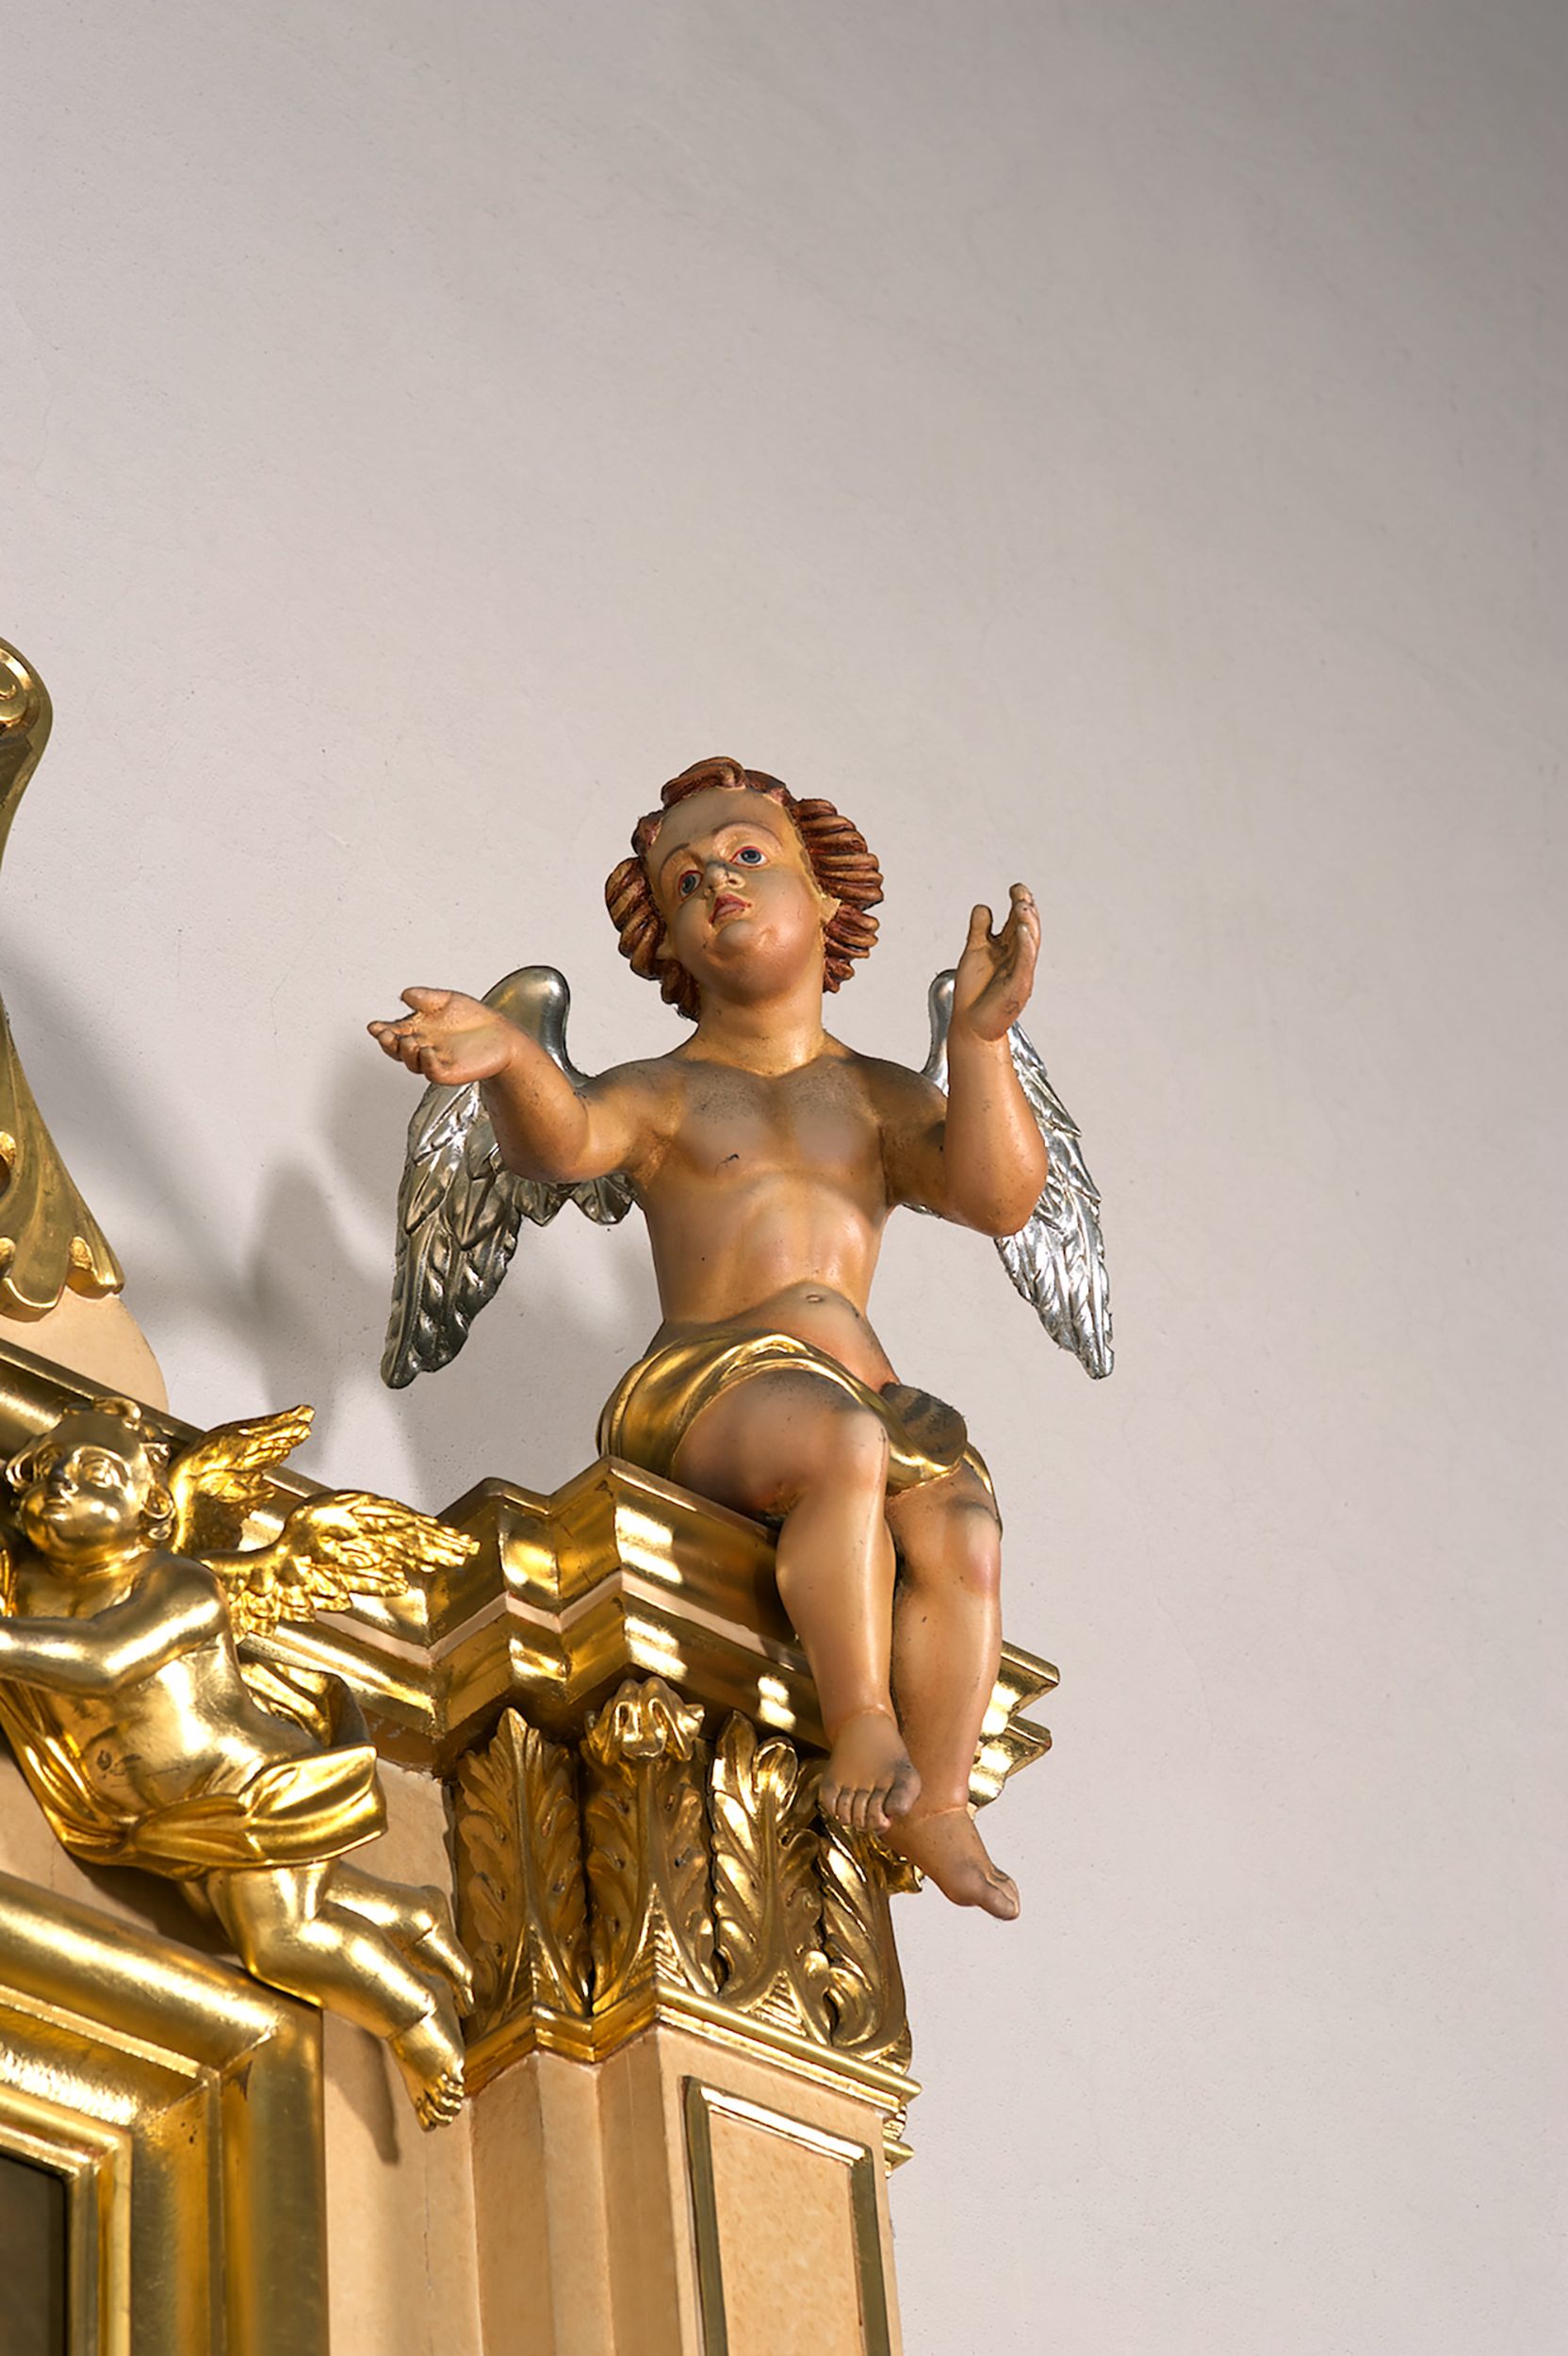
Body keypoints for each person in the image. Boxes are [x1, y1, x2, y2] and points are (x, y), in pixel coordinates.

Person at [370, 758, 1048, 1919]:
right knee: (841, 1448)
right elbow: (560, 1144)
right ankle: (862, 1719)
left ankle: (937, 1800)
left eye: (744, 855)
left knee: (964, 1522)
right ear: (669, 944)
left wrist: (981, 1045)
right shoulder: (667, 1090)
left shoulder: (878, 1096)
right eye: (683, 881)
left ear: (826, 896)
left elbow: (998, 1196)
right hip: (702, 1387)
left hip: (859, 1388)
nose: (715, 884)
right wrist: (515, 1057)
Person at [0, 1399, 472, 2123]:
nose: (60, 1483)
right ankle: (410, 1911)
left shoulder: (177, 1585)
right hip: (175, 1819)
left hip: (251, 1787)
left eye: (93, 1471)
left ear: (152, 1509)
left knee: (279, 1942)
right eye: (42, 1471)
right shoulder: (29, 1585)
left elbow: (105, 1660)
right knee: (248, 1900)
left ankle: (414, 2015)